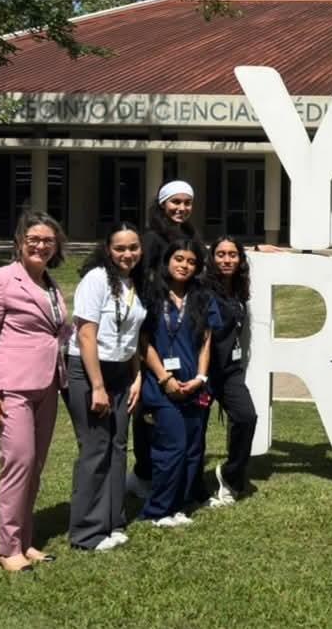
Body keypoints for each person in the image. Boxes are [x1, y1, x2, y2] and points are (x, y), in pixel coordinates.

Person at [0, 210, 71, 572]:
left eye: (48, 240)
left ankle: (25, 542)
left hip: (47, 386)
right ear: (19, 243)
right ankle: (6, 548)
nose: (41, 245)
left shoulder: (51, 285)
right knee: (18, 463)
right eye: (34, 239)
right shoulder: (0, 280)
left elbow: (57, 333)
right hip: (11, 390)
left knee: (34, 467)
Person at [63, 222, 147, 551]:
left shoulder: (135, 282)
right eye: (120, 248)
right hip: (89, 371)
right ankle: (86, 533)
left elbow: (134, 336)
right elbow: (85, 334)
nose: (128, 254)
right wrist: (97, 386)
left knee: (117, 446)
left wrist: (137, 376)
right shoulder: (96, 279)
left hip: (122, 371)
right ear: (108, 250)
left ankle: (113, 521)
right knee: (95, 449)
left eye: (133, 247)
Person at [138, 238, 218, 527]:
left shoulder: (202, 298)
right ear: (167, 262)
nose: (184, 265)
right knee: (171, 447)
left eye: (191, 261)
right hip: (162, 387)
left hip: (195, 386)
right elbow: (143, 342)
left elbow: (206, 341)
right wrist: (164, 378)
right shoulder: (150, 296)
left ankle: (180, 505)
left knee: (193, 449)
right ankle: (157, 511)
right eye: (179, 259)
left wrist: (200, 377)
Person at [131, 180, 201, 496]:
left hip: (179, 329)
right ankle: (143, 472)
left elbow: (206, 265)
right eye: (175, 202)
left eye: (187, 202)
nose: (181, 208)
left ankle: (163, 469)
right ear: (162, 204)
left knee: (170, 406)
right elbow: (141, 281)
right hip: (154, 325)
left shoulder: (189, 236)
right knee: (148, 405)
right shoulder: (152, 238)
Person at [202, 235, 259, 506]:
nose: (227, 260)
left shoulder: (238, 289)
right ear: (212, 258)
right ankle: (185, 487)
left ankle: (229, 475)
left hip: (230, 372)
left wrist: (257, 248)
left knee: (246, 418)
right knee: (192, 433)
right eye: (221, 254)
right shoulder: (201, 289)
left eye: (233, 254)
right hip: (202, 371)